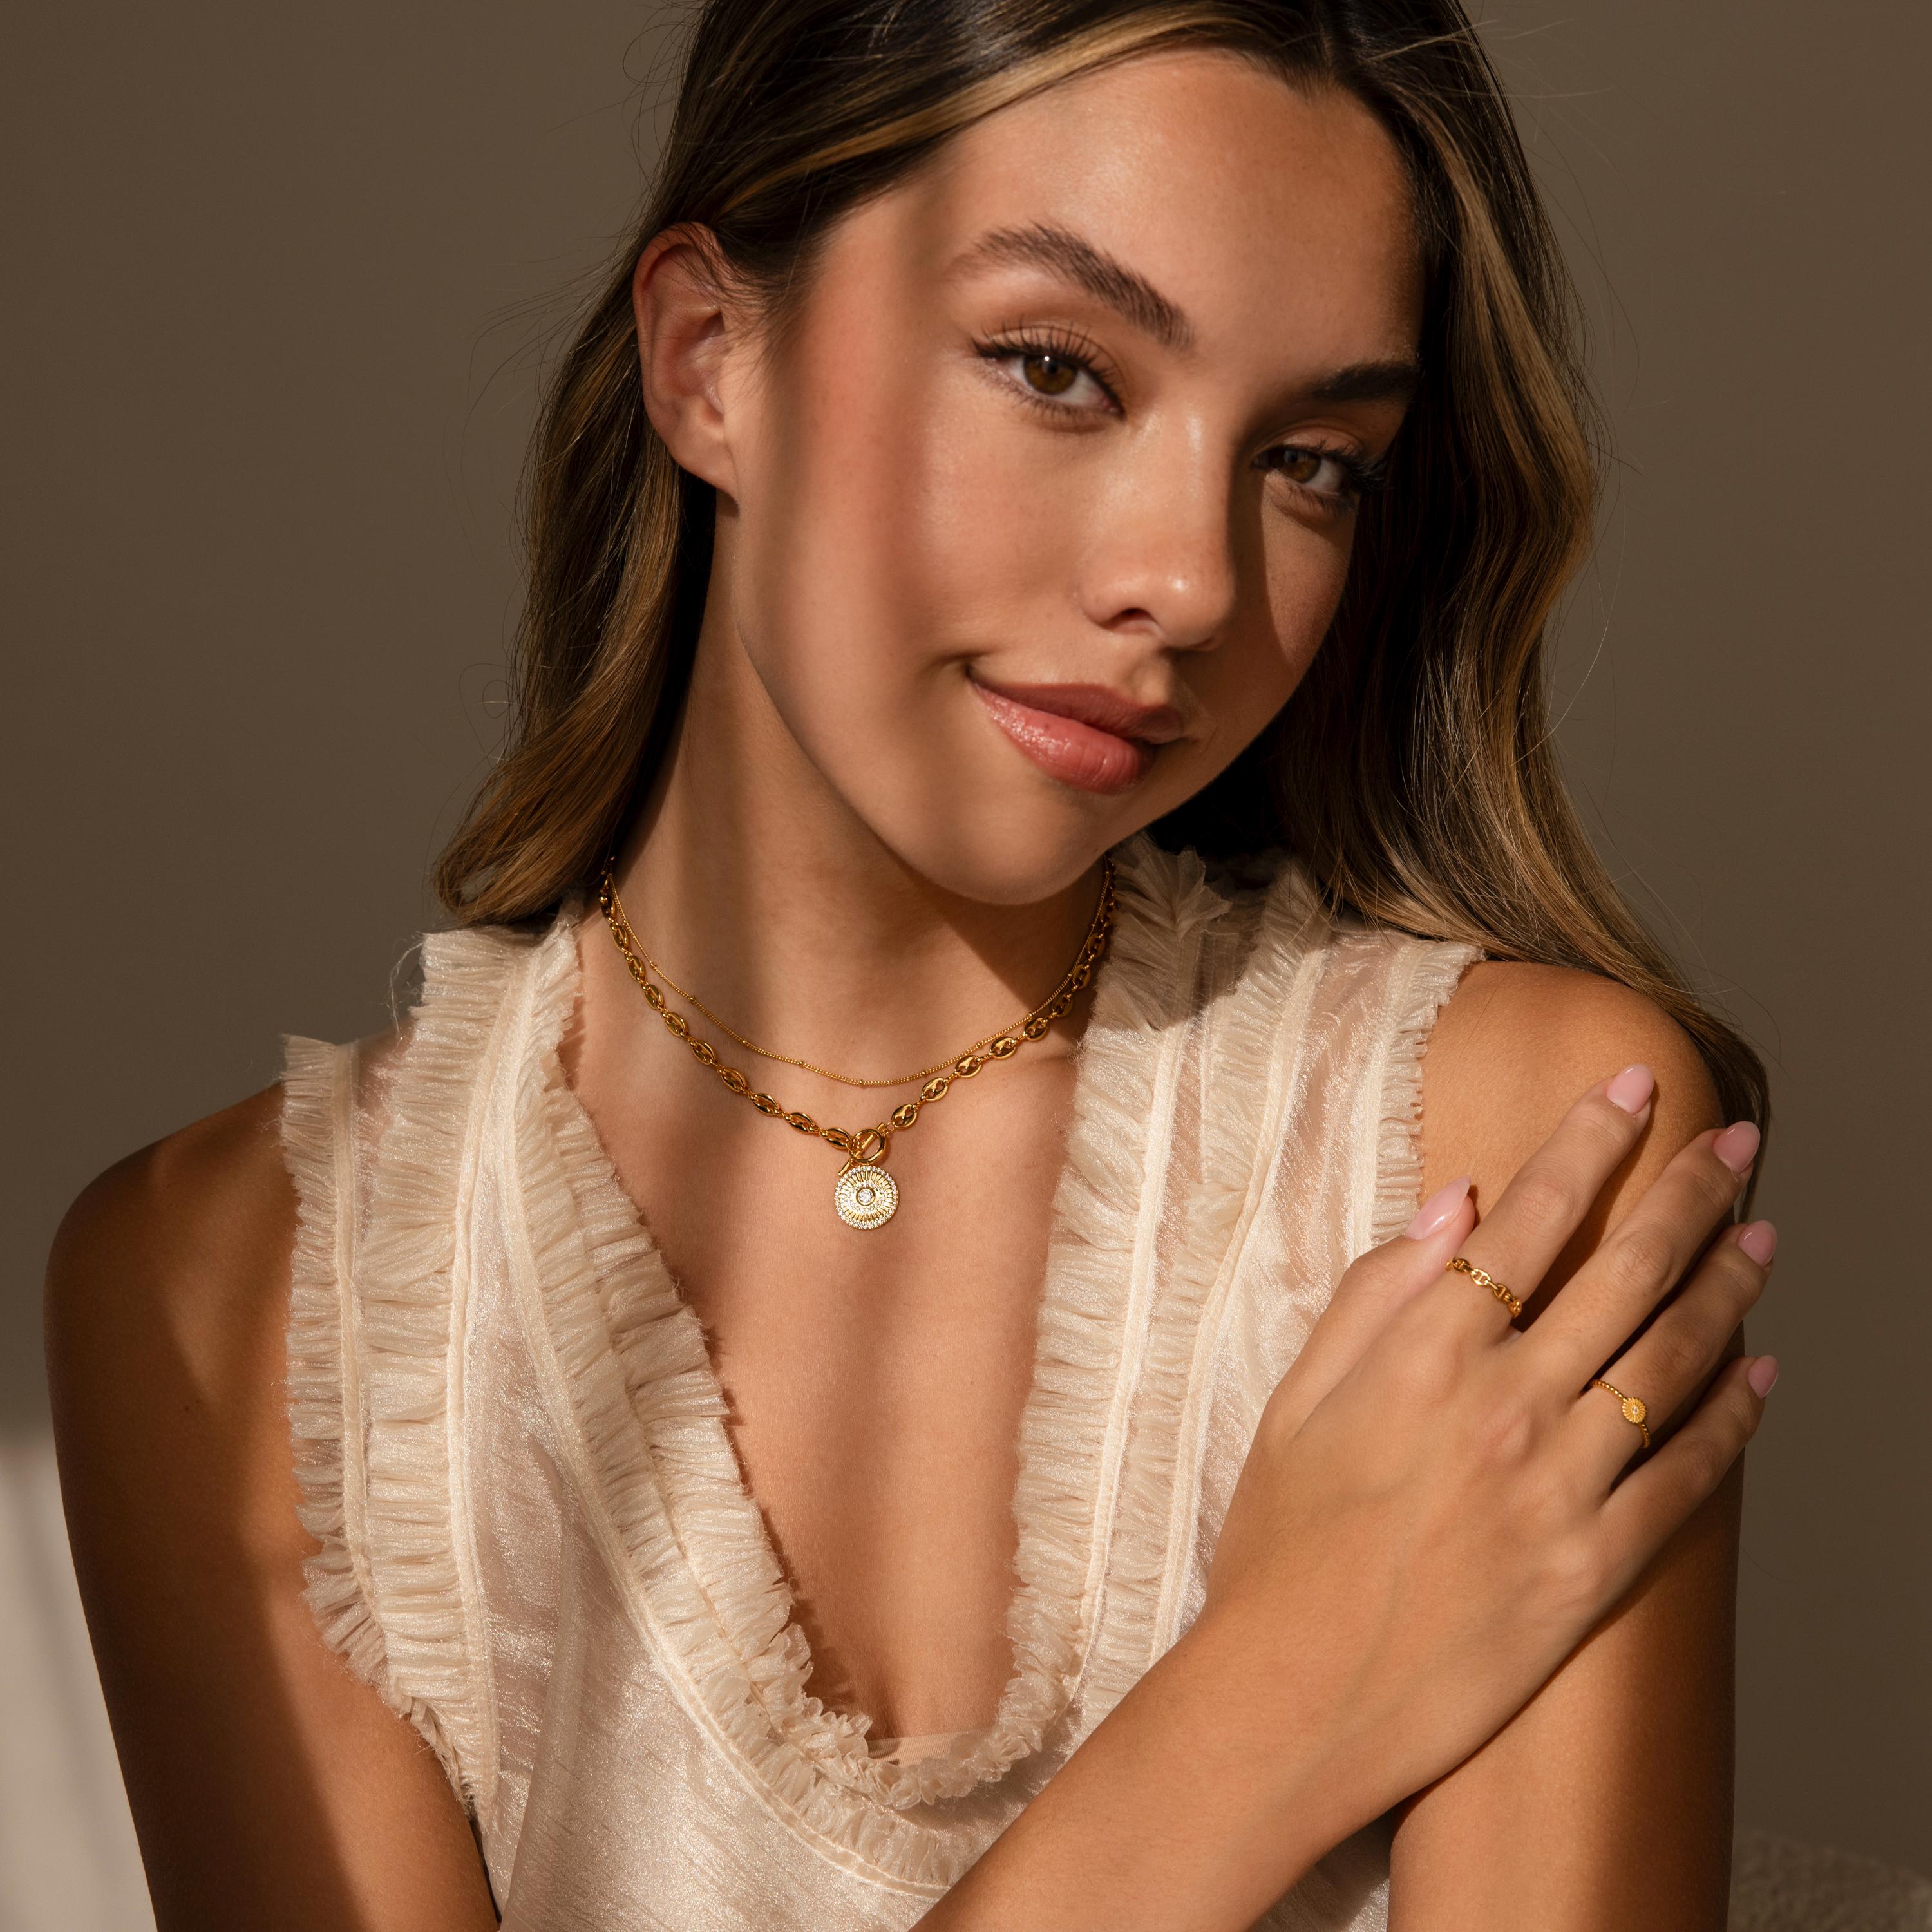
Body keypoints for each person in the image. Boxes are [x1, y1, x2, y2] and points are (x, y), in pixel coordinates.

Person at [43, 2, 1780, 1926]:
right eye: (1059, 370)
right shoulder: (243, 1304)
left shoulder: (1508, 1156)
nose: (1190, 581)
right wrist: (1271, 1702)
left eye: (1312, 462)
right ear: (711, 358)